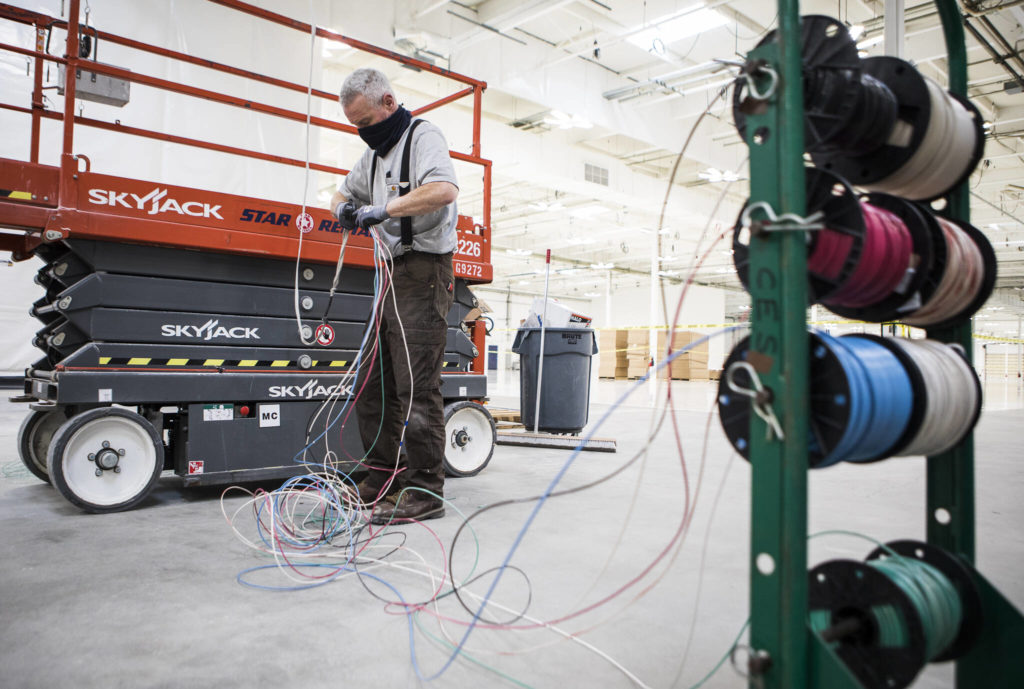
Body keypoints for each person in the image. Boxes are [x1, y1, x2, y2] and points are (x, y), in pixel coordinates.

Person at [329, 67, 458, 524]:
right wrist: (344, 208)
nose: (363, 133)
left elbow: (443, 190)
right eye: (355, 127)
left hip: (424, 271)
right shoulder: (374, 155)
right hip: (390, 274)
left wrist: (384, 208)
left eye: (365, 122)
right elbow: (340, 193)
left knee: (416, 386)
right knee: (375, 382)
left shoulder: (424, 137)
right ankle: (382, 474)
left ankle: (424, 489)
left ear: (387, 102)